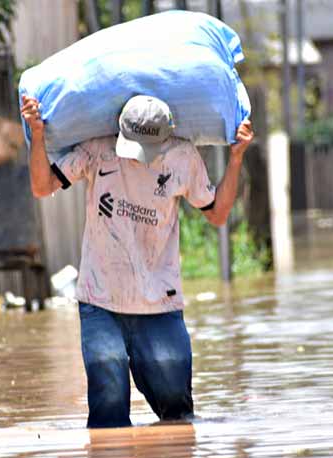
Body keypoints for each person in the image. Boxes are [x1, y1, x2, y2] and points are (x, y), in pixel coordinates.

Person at [21, 93, 254, 428]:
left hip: (159, 302)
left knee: (178, 413)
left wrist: (236, 159)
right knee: (108, 414)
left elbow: (217, 214)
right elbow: (43, 187)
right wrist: (38, 135)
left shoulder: (182, 157)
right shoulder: (98, 150)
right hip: (101, 300)